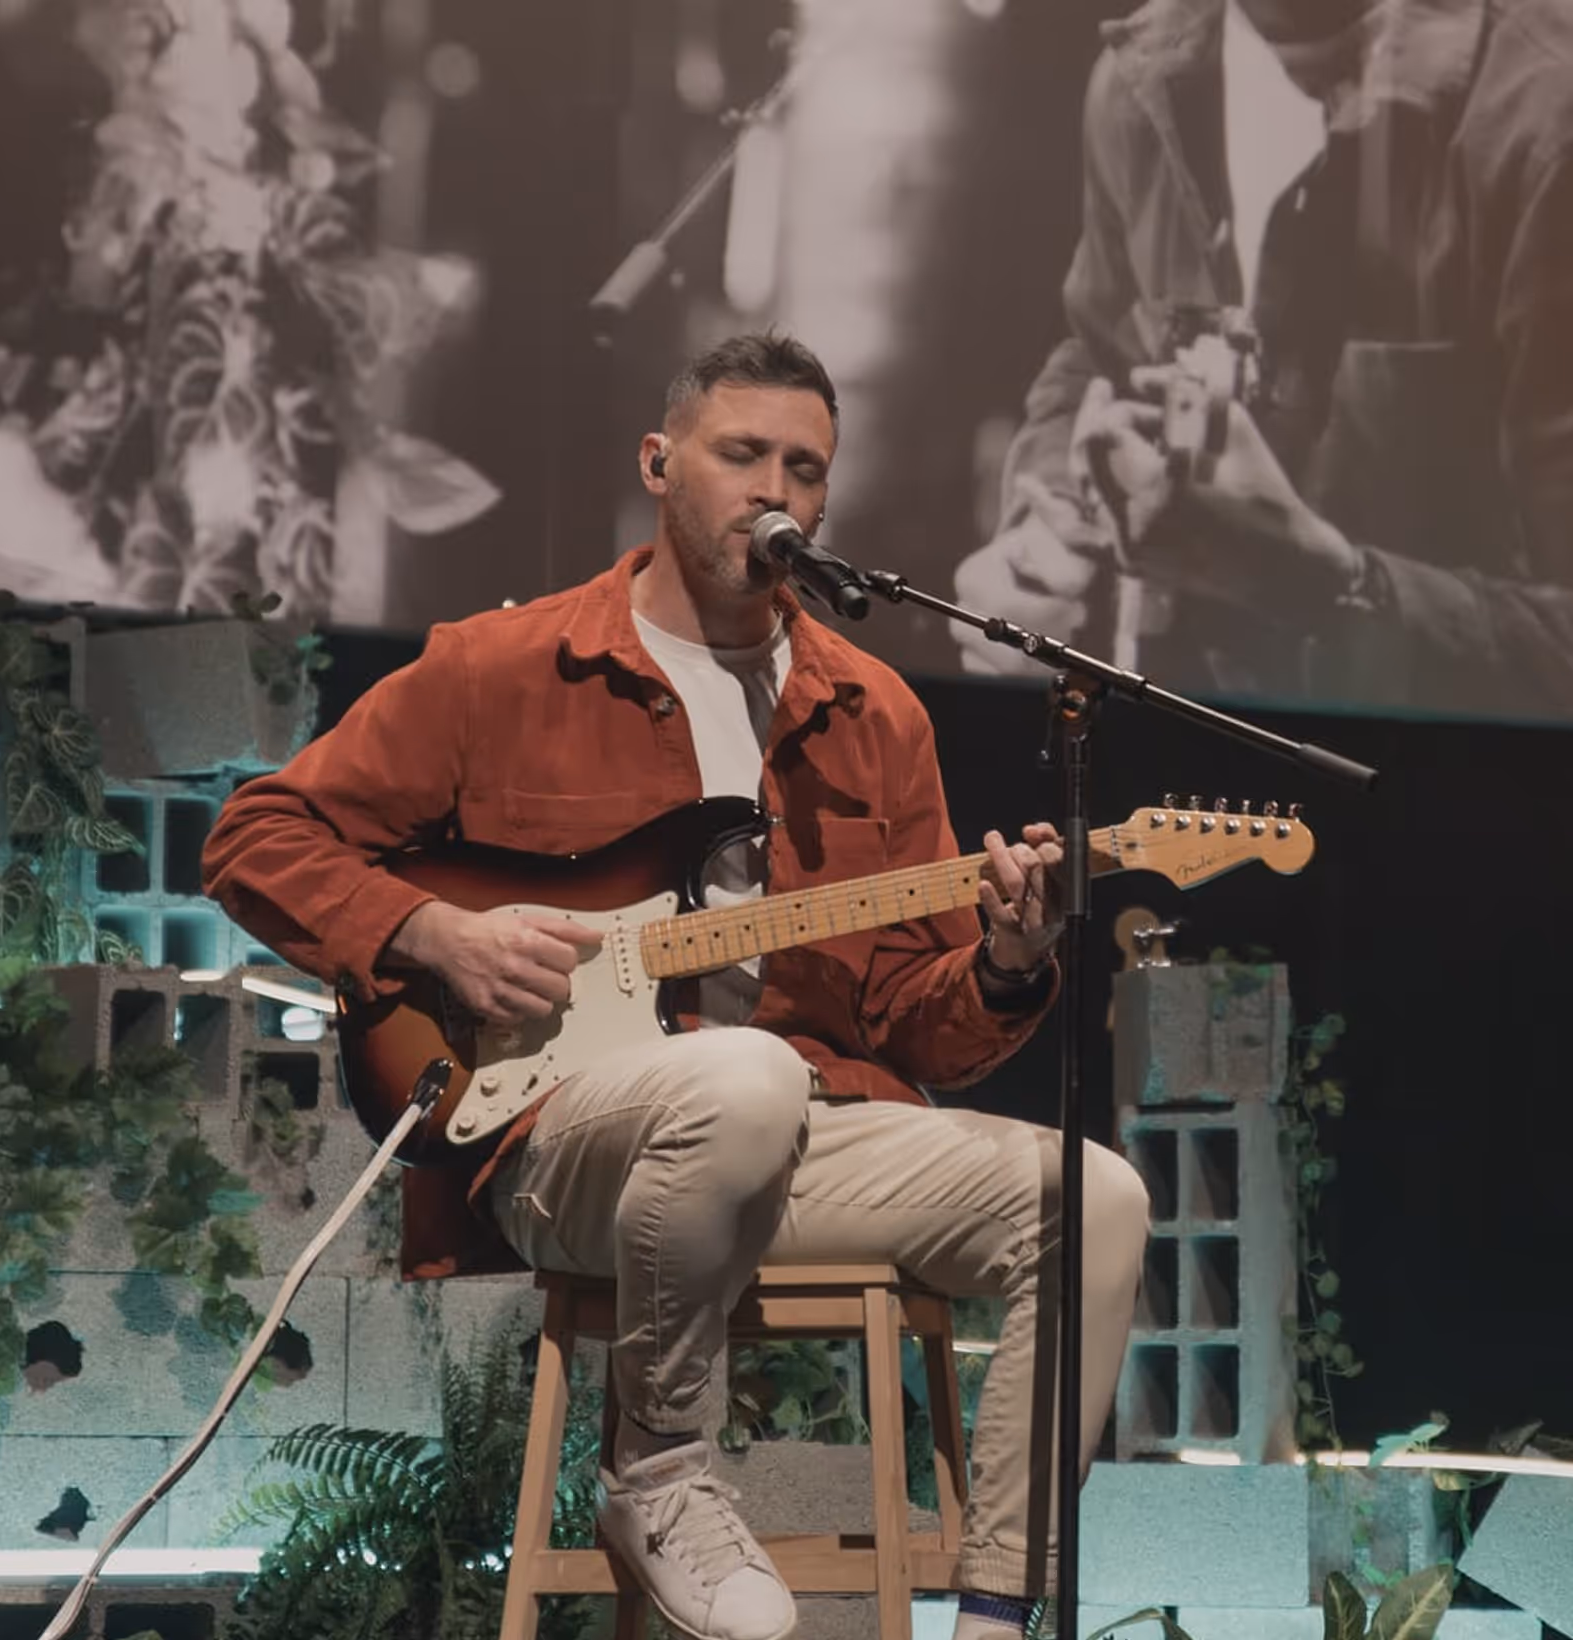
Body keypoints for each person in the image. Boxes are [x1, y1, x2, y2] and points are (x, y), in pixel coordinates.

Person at [202, 333, 1150, 1640]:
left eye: (804, 468)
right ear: (660, 464)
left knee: (1096, 1198)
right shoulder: (501, 666)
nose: (775, 487)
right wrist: (431, 935)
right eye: (741, 453)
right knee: (740, 1076)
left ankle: (995, 1612)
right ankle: (656, 1467)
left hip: (801, 1129)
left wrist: (1006, 960)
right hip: (558, 1137)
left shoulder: (874, 710)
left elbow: (903, 1018)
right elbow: (255, 838)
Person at [952, 0, 1573, 720]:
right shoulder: (1138, 80)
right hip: (1181, 778)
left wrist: (1331, 589)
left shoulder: (1541, 114)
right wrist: (1042, 543)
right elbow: (1098, 354)